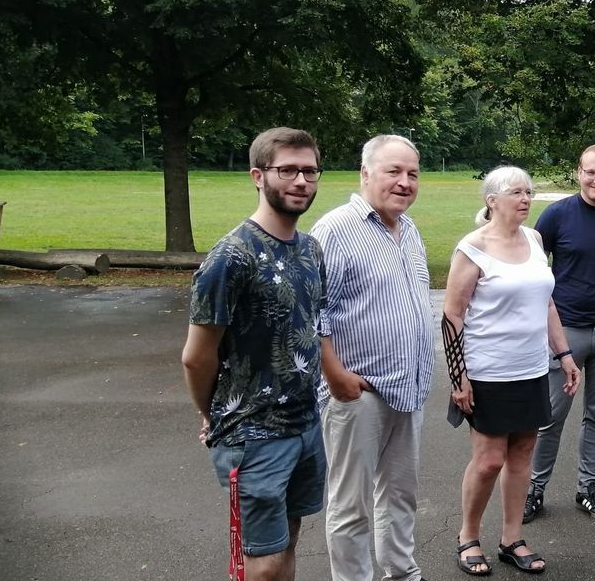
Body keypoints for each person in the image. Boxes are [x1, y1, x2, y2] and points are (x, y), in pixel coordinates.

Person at [181, 127, 327, 581]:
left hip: (305, 424)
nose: (301, 181)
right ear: (257, 176)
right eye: (287, 170)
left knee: (289, 535)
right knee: (260, 565)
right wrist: (214, 414)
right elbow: (196, 356)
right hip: (254, 435)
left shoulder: (310, 249)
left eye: (309, 171)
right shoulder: (232, 257)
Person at [441, 166, 582, 576]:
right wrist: (458, 378)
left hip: (532, 369)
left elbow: (548, 304)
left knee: (522, 456)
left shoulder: (535, 239)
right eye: (517, 193)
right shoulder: (473, 247)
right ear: (492, 200)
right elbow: (452, 315)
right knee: (488, 461)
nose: (526, 199)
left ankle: (511, 538)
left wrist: (565, 355)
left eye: (529, 192)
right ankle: (468, 536)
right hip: (487, 372)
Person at [310, 135, 433, 581]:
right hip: (358, 392)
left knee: (401, 494)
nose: (404, 182)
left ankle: (402, 572)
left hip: (407, 388)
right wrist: (335, 375)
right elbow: (312, 311)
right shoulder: (335, 230)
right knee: (351, 505)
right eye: (393, 172)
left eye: (412, 174)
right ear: (366, 175)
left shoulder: (409, 229)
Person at [524, 144, 595, 523]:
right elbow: (534, 268)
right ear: (578, 172)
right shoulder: (557, 215)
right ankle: (534, 489)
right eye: (590, 172)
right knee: (550, 417)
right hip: (565, 333)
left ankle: (587, 487)